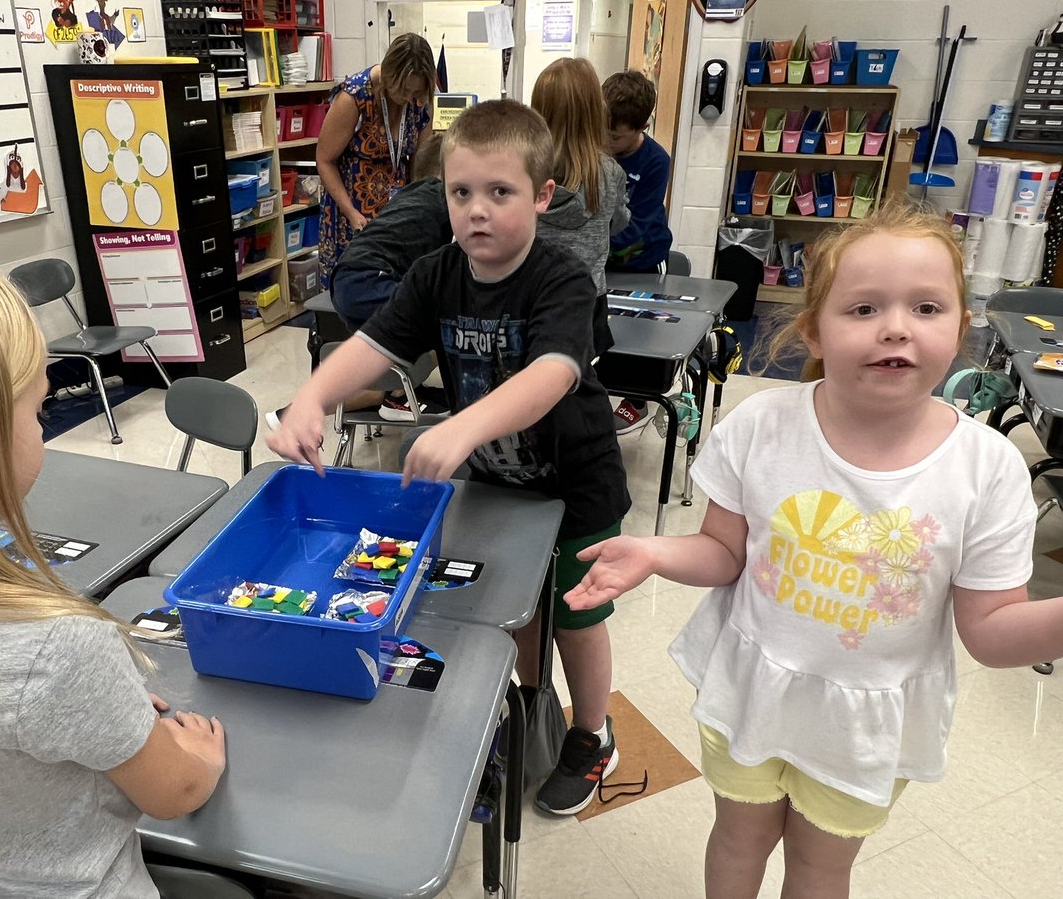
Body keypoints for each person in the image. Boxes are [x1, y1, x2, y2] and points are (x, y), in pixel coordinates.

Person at [564, 202, 1063, 898]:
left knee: (822, 867)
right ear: (814, 332)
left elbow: (991, 631)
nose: (895, 326)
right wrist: (653, 553)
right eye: (862, 309)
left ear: (961, 329)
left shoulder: (987, 468)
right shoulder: (763, 426)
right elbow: (723, 553)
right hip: (752, 689)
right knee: (738, 839)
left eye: (925, 307)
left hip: (865, 724)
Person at [269, 99, 631, 816]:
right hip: (502, 483)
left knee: (578, 614)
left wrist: (462, 428)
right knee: (520, 609)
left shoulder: (560, 278)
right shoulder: (437, 273)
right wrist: (311, 398)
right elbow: (374, 346)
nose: (478, 211)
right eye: (462, 193)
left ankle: (593, 733)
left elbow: (553, 372)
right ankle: (532, 703)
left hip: (579, 482)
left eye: (501, 193)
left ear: (542, 196)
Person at [0, 242, 226, 897]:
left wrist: (95, 714)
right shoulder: (57, 650)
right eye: (37, 411)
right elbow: (175, 791)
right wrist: (196, 759)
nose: (43, 427)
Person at [329, 132, 453, 422]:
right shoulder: (440, 198)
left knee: (397, 343)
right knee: (448, 323)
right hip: (371, 278)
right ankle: (398, 397)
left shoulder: (409, 197)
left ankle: (391, 392)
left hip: (348, 277)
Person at [316, 32, 437, 289]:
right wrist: (351, 212)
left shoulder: (419, 101)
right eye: (404, 89)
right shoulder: (355, 97)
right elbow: (324, 160)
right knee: (356, 291)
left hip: (396, 213)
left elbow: (423, 161)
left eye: (416, 91)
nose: (409, 97)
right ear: (390, 73)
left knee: (396, 291)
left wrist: (421, 207)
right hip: (353, 214)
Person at [531, 56, 630, 360]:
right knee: (576, 383)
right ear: (595, 112)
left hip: (529, 294)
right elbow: (619, 222)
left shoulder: (524, 170)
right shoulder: (610, 173)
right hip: (586, 299)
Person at [602, 70, 675, 433]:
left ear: (641, 125)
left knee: (640, 331)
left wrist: (595, 241)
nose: (607, 139)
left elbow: (641, 223)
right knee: (604, 328)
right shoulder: (596, 150)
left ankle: (639, 400)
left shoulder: (656, 161)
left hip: (643, 257)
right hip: (603, 258)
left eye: (615, 134)